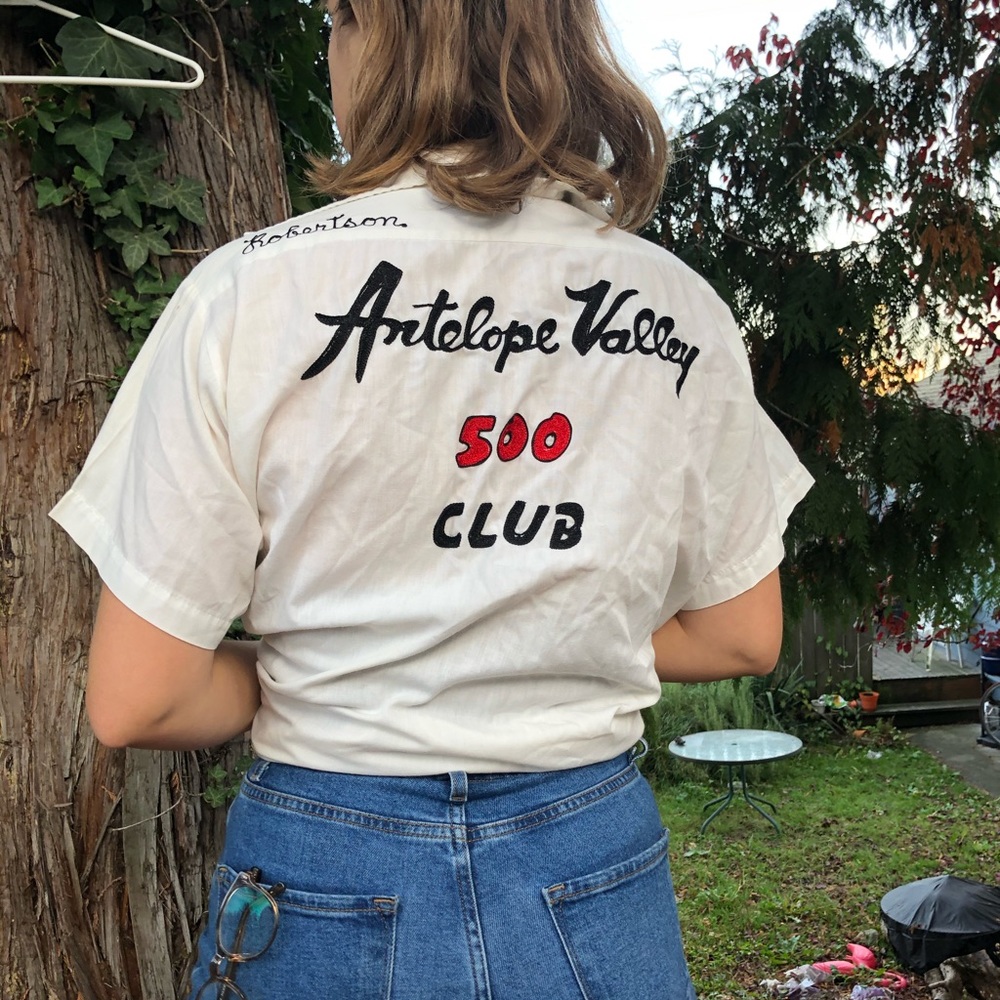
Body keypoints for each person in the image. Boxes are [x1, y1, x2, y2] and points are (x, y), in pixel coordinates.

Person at [51, 0, 813, 997]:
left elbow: (138, 696)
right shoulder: (679, 311)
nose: (330, 48)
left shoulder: (248, 296)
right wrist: (541, 636)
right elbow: (741, 636)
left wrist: (332, 666)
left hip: (326, 867)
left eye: (338, 16)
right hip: (587, 865)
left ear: (379, 36)